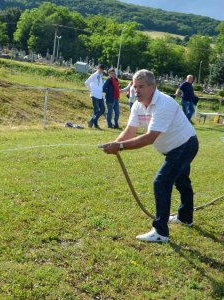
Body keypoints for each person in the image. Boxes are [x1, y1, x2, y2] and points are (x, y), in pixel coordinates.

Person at [101, 69, 198, 243]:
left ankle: (161, 232)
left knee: (161, 182)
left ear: (153, 86)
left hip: (185, 145)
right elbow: (130, 130)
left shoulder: (164, 104)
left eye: (141, 86)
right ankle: (185, 218)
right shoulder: (138, 105)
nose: (136, 90)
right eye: (134, 86)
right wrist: (114, 143)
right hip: (173, 148)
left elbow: (149, 137)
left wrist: (120, 147)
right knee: (181, 181)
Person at [85, 64, 105, 129]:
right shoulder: (94, 75)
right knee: (96, 110)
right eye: (100, 69)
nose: (101, 70)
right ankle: (95, 124)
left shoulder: (101, 76)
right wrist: (91, 90)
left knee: (102, 110)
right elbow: (86, 82)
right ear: (98, 68)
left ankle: (92, 121)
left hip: (100, 95)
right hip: (94, 95)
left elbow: (101, 86)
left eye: (102, 69)